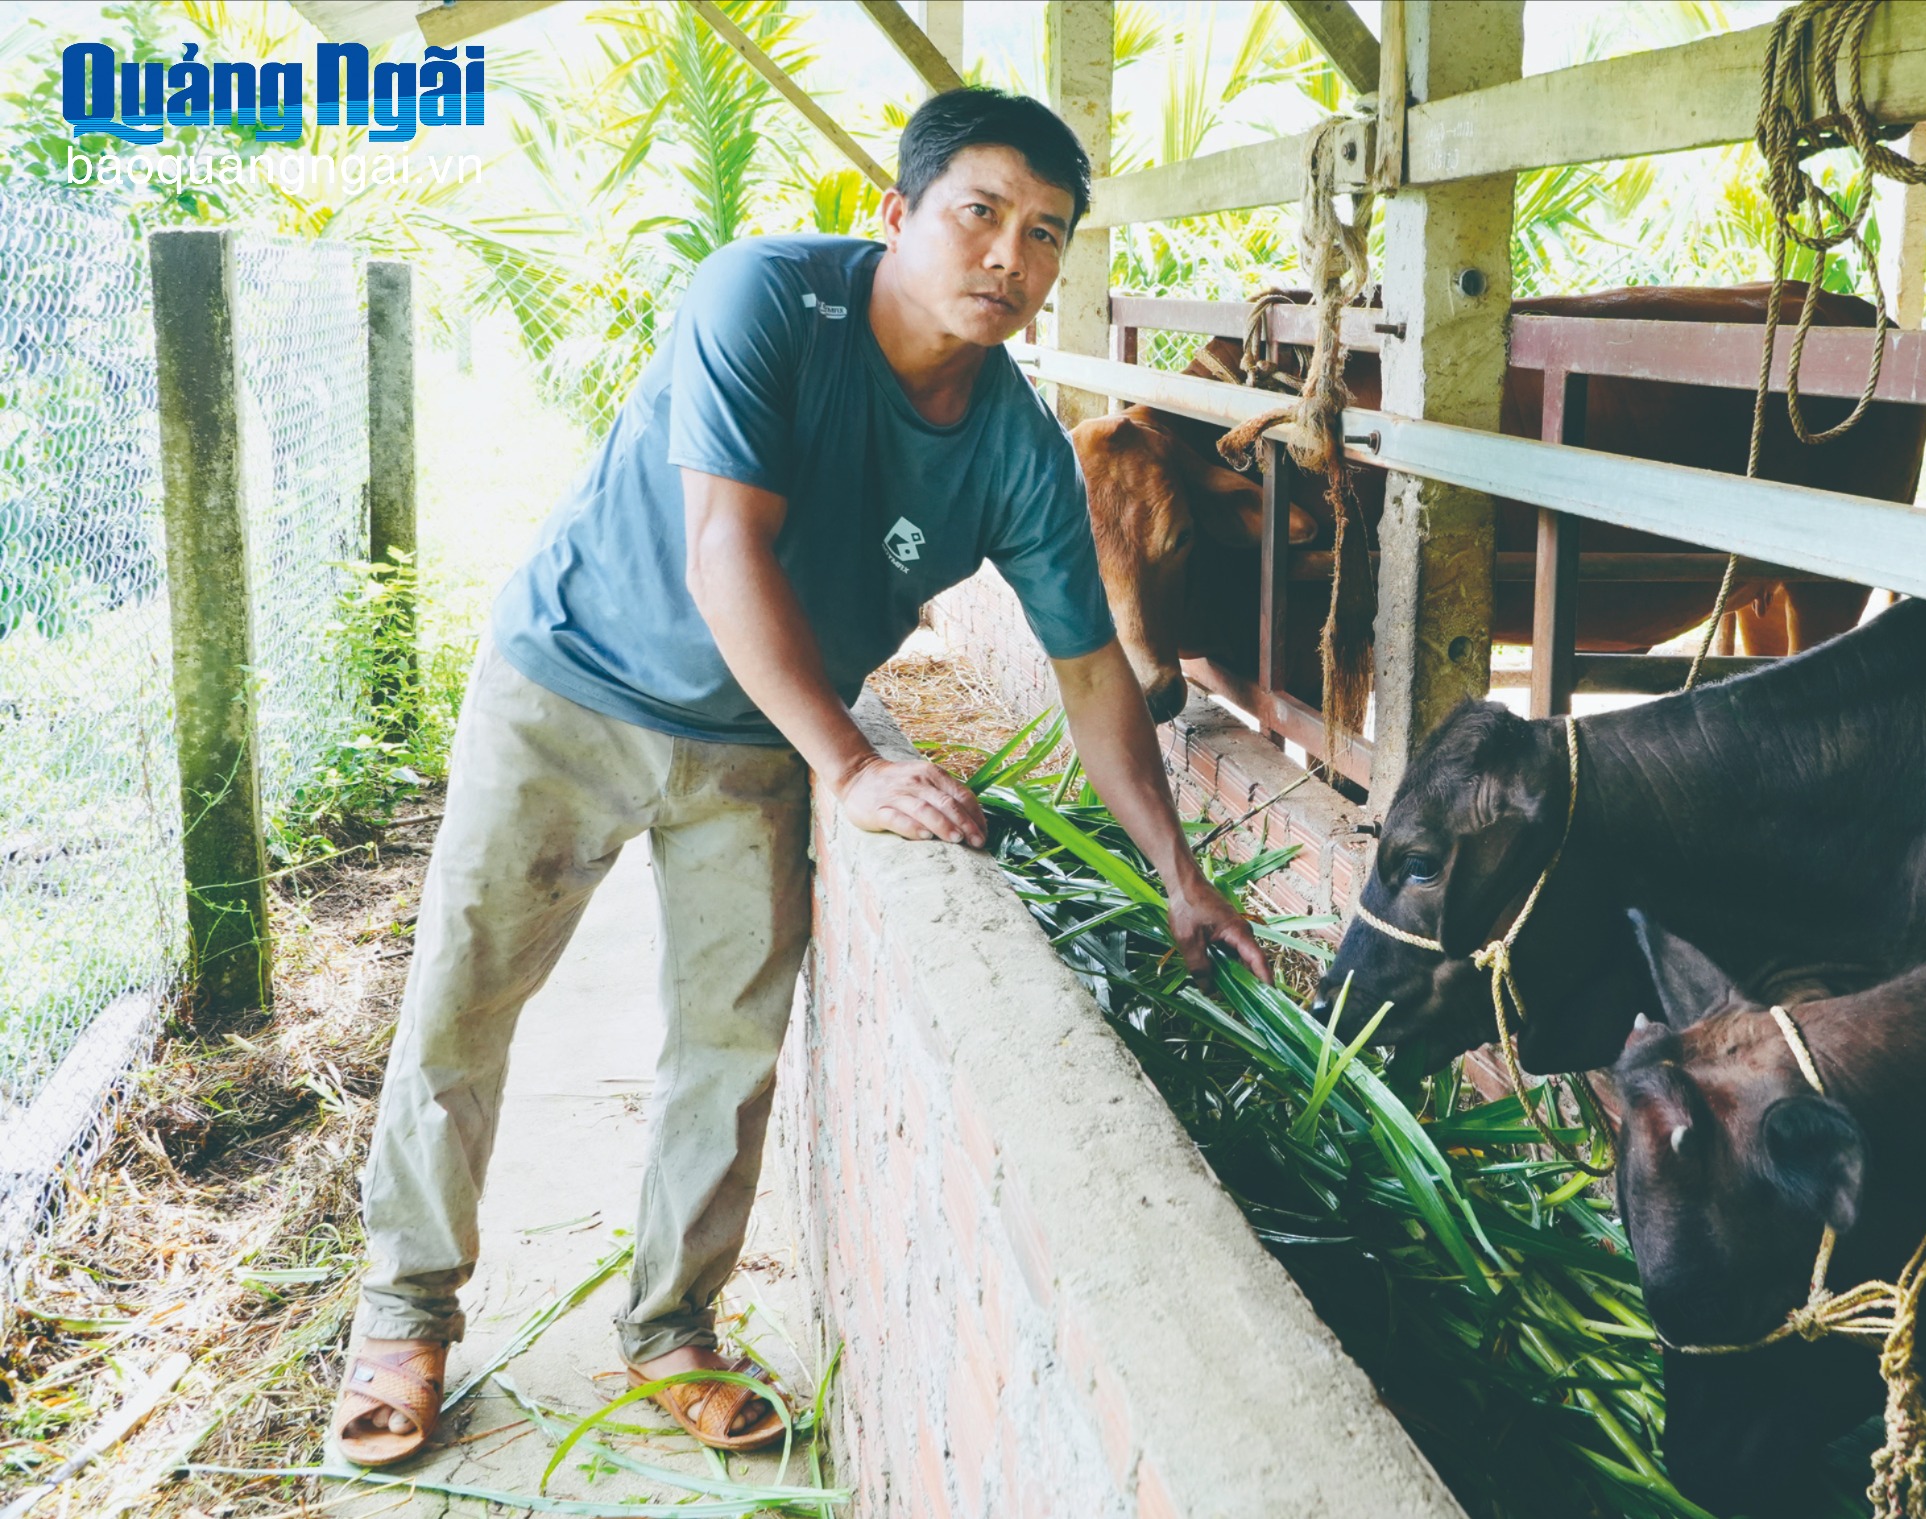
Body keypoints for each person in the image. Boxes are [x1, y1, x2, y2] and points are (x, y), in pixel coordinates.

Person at [329, 88, 1268, 1466]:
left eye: (1048, 234)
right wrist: (852, 761)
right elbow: (726, 551)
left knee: (728, 1045)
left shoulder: (1015, 444)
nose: (1012, 258)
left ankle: (672, 1331)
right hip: (571, 689)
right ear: (893, 216)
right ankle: (404, 1317)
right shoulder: (763, 300)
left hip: (753, 747)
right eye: (981, 214)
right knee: (464, 1007)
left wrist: (1182, 880)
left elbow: (1089, 677)